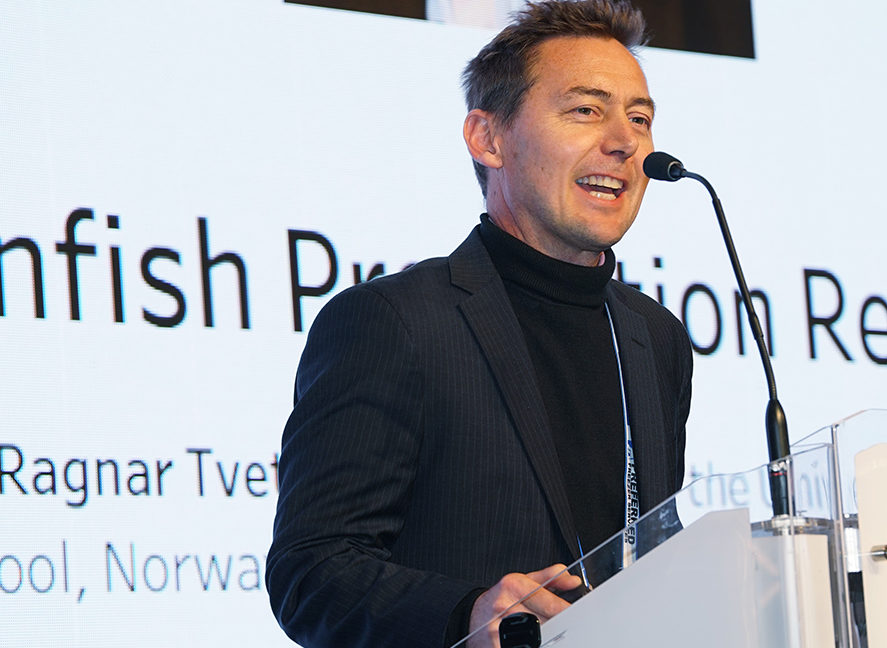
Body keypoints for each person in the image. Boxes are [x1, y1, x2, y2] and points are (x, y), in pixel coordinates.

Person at [266, 1, 693, 647]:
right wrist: (465, 613)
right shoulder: (395, 322)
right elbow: (311, 572)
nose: (625, 141)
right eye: (586, 110)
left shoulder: (655, 338)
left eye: (640, 118)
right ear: (488, 139)